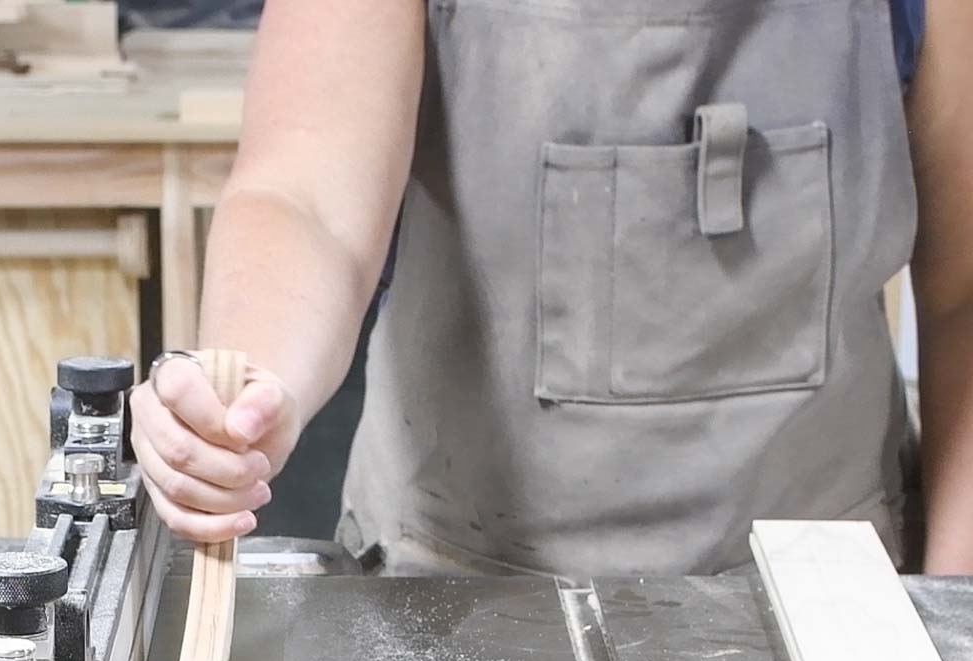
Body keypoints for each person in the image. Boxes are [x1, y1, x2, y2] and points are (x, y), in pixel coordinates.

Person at [129, 0, 970, 578]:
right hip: (465, 598)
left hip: (834, 607)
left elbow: (963, 297)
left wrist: (954, 617)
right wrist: (244, 400)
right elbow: (305, 199)